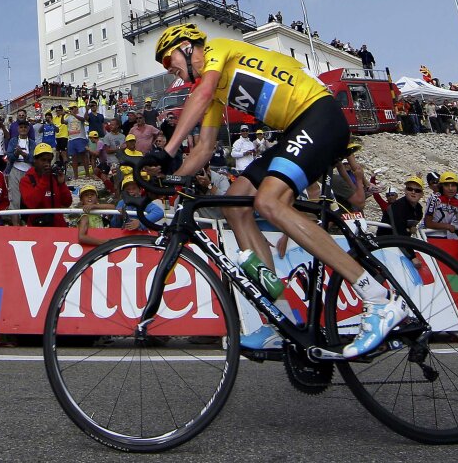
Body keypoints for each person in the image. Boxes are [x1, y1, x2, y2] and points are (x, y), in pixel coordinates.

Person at [153, 23, 405, 358]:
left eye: (174, 66)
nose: (179, 77)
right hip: (295, 130)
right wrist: (165, 183)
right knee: (234, 204)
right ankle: (279, 318)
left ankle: (377, 298)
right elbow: (203, 149)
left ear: (187, 47)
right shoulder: (211, 92)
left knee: (268, 202)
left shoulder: (218, 50)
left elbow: (198, 96)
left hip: (319, 116)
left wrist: (167, 151)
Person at [18, 142, 72, 226]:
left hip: (58, 227)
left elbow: (67, 203)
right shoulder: (26, 180)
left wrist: (62, 185)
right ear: (35, 160)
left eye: (49, 160)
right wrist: (44, 179)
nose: (46, 163)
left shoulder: (54, 178)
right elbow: (31, 203)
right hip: (37, 228)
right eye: (43, 160)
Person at [423, 172, 458, 261]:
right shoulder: (435, 199)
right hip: (429, 235)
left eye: (453, 185)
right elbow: (427, 223)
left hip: (445, 237)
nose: (450, 189)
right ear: (441, 187)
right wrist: (447, 226)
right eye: (447, 185)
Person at [5, 120, 36, 215]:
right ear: (18, 129)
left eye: (25, 127)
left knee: (29, 197)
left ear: (28, 129)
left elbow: (34, 159)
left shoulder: (32, 143)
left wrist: (22, 153)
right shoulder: (13, 141)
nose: (23, 129)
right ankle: (15, 224)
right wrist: (16, 153)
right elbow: (9, 156)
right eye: (21, 127)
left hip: (28, 171)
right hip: (15, 169)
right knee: (14, 199)